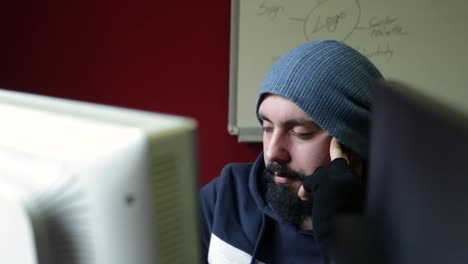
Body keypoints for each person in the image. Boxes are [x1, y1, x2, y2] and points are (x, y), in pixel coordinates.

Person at [200, 40, 383, 264]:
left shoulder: (406, 231)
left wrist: (345, 241)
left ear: (353, 145)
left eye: (300, 133)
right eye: (267, 128)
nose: (272, 152)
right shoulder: (227, 195)